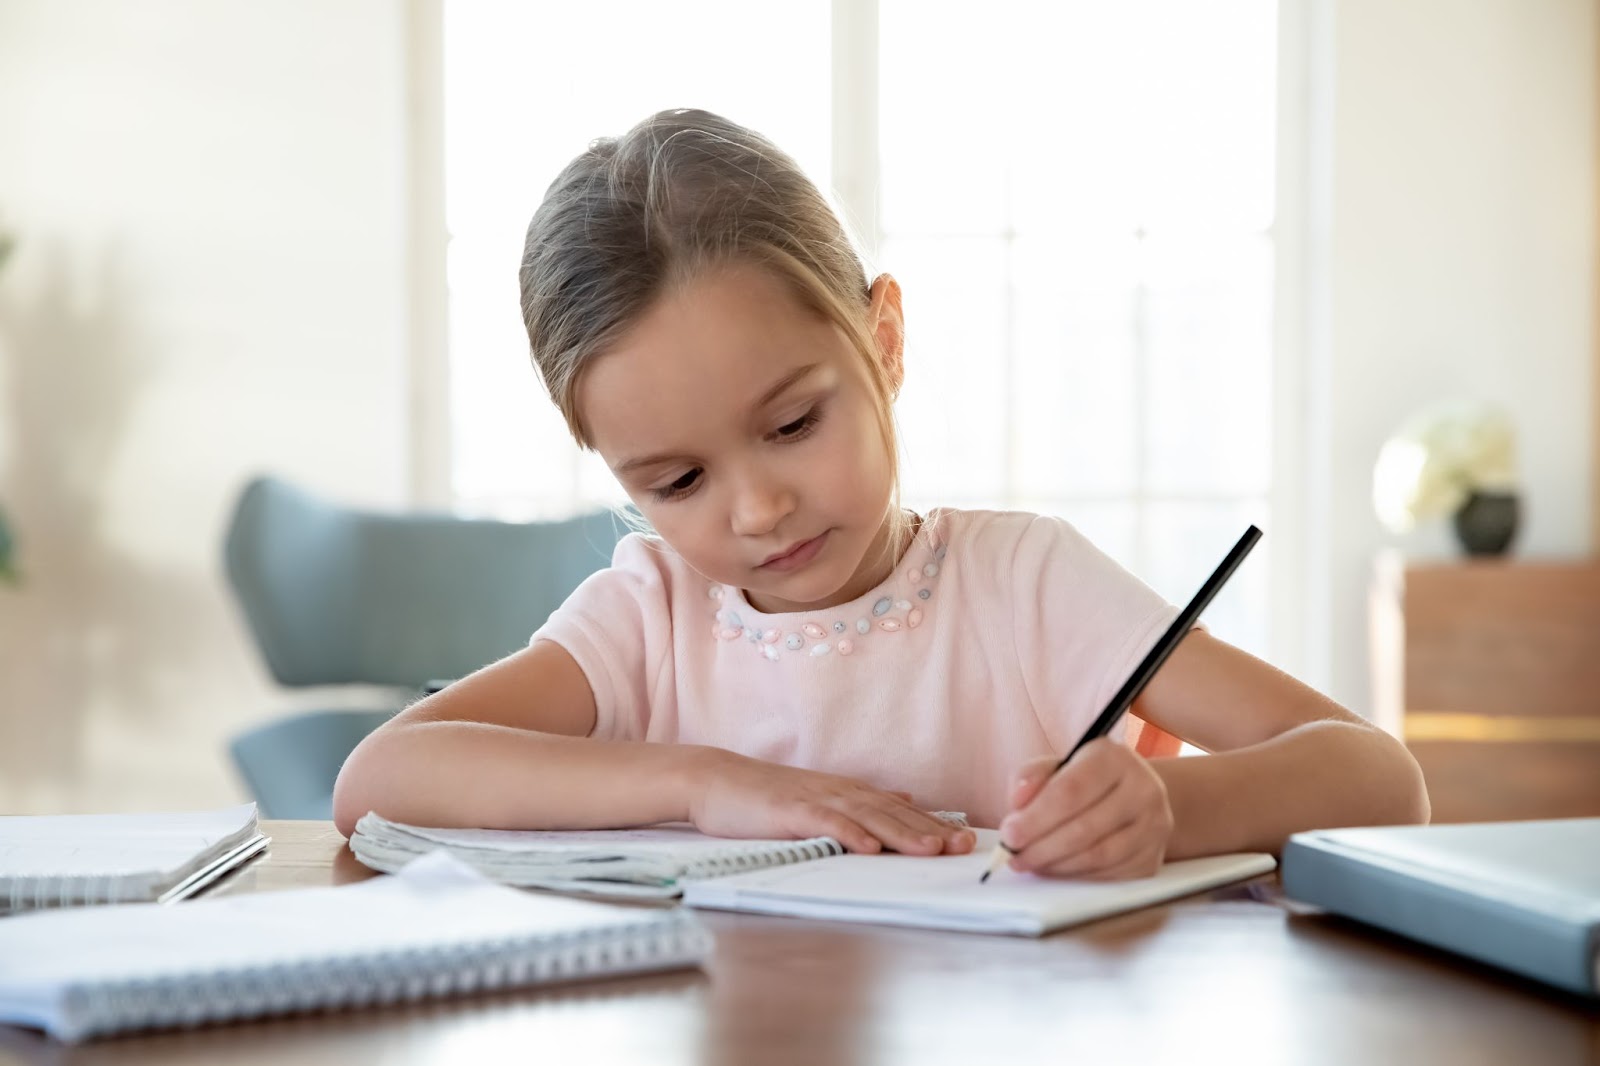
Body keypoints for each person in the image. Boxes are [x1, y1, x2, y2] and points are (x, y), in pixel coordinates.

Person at [333, 109, 1428, 880]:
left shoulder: (1022, 588)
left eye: (795, 423)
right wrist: (708, 785)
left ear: (884, 339)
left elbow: (1378, 779)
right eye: (675, 481)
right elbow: (379, 778)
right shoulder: (650, 618)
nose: (757, 510)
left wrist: (1172, 809)